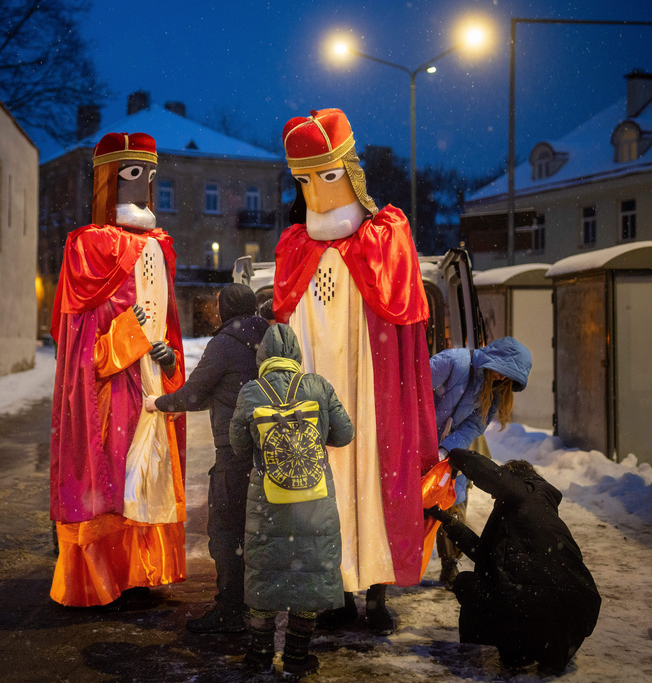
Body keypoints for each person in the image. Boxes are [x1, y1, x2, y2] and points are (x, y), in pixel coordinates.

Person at [272, 108, 439, 634]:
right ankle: (338, 592)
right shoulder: (295, 249)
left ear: (349, 171)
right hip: (315, 408)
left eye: (326, 176)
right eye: (304, 181)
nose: (318, 194)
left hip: (371, 401)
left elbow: (403, 325)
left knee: (374, 484)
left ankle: (378, 594)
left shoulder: (384, 238)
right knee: (327, 494)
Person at [49, 132, 188, 608]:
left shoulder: (158, 246)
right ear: (109, 181)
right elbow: (81, 345)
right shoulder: (89, 247)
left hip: (150, 382)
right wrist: (129, 337)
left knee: (147, 477)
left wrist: (167, 357)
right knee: (113, 476)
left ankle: (142, 572)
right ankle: (106, 576)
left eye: (150, 175)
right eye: (133, 174)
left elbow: (165, 319)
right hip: (112, 390)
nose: (145, 185)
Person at [229, 323, 354, 679]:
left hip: (267, 503)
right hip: (314, 500)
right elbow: (344, 435)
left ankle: (259, 655)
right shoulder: (318, 386)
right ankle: (298, 655)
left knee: (264, 573)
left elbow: (239, 447)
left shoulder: (251, 392)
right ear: (296, 355)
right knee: (311, 574)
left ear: (263, 357)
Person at [144, 283, 269, 633]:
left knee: (225, 535)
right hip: (268, 454)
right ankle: (257, 606)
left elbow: (196, 392)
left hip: (234, 454)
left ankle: (230, 611)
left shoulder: (224, 344)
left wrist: (159, 404)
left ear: (226, 309)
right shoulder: (269, 339)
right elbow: (213, 392)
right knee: (257, 533)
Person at [426, 451, 600, 676]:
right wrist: (447, 521)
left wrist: (456, 456)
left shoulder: (524, 494)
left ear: (513, 478)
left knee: (466, 583)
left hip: (535, 610)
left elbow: (494, 476)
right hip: (570, 623)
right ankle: (533, 651)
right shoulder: (540, 512)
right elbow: (486, 554)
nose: (493, 498)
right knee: (520, 599)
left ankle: (513, 647)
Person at [429, 336, 532, 588]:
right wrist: (420, 440)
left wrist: (445, 449)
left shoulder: (493, 390)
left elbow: (473, 426)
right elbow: (412, 393)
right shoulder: (453, 362)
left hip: (449, 452)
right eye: (501, 371)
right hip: (416, 443)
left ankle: (449, 562)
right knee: (411, 507)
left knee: (452, 504)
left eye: (508, 377)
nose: (501, 379)